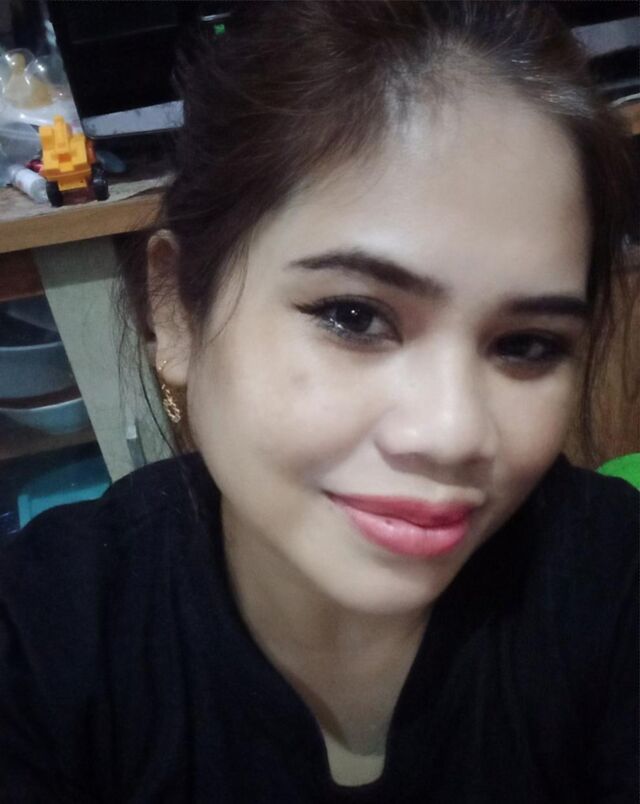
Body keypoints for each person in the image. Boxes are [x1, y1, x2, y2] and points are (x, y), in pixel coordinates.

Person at [1, 2, 638, 802]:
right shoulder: (44, 635)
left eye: (528, 345)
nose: (452, 432)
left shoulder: (613, 586)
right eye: (354, 316)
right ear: (176, 309)